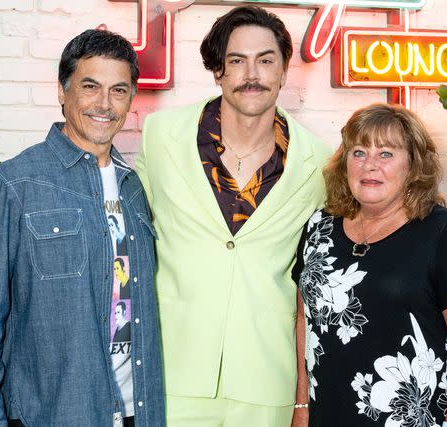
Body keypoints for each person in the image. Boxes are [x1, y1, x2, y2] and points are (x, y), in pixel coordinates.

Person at [0, 28, 164, 427]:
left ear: (131, 99)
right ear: (62, 91)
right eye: (90, 86)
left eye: (119, 90)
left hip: (139, 413)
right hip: (57, 414)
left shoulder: (133, 188)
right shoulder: (15, 184)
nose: (105, 104)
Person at [135, 5, 331, 426]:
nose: (252, 74)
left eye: (265, 60)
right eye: (237, 61)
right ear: (218, 71)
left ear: (283, 71)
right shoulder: (161, 135)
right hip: (174, 369)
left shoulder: (319, 160)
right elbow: (127, 241)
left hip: (266, 378)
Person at [292, 103, 447, 427]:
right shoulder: (319, 227)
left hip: (408, 417)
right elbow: (304, 320)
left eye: (386, 154)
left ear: (412, 166)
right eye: (359, 152)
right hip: (327, 416)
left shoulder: (441, 231)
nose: (370, 165)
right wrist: (301, 405)